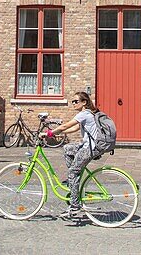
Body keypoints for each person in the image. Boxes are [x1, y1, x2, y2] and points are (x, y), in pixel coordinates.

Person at [45, 91, 102, 219]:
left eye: (76, 101)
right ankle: (74, 183)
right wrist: (58, 133)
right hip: (88, 146)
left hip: (90, 148)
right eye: (73, 102)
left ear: (84, 102)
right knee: (67, 148)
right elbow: (73, 129)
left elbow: (66, 125)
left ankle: (75, 206)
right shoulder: (87, 114)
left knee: (72, 173)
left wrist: (50, 133)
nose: (74, 104)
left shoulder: (84, 114)